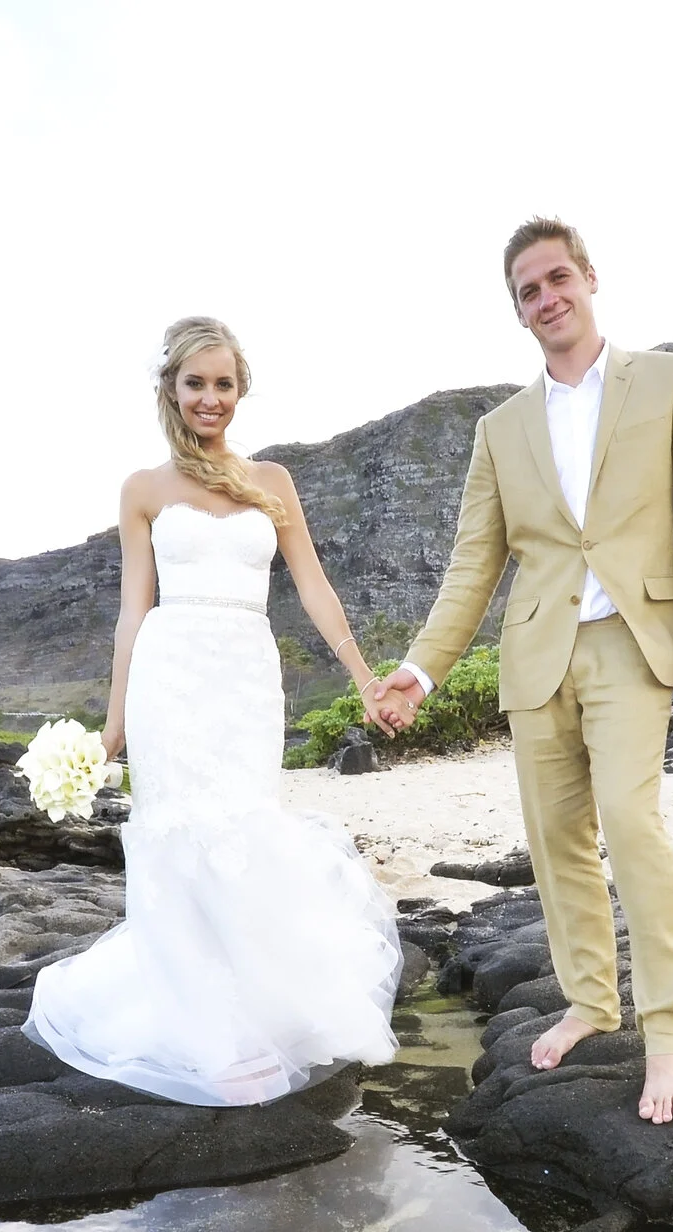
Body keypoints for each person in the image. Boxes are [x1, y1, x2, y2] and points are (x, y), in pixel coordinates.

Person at [375, 218, 673, 1125]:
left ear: (588, 277)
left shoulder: (668, 381)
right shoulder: (499, 430)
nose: (547, 299)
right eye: (528, 292)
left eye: (556, 279)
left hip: (633, 637)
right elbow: (474, 566)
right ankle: (590, 998)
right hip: (538, 652)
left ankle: (668, 1023)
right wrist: (421, 672)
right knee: (557, 838)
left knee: (629, 818)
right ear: (519, 313)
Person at [25, 317, 402, 1106]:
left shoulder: (274, 481)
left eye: (224, 383)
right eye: (195, 382)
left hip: (245, 673)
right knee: (180, 836)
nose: (211, 398)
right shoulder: (143, 489)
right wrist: (115, 723)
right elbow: (134, 612)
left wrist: (364, 677)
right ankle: (211, 1034)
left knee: (243, 828)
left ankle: (257, 1009)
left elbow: (314, 588)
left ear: (241, 389)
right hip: (171, 672)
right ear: (170, 388)